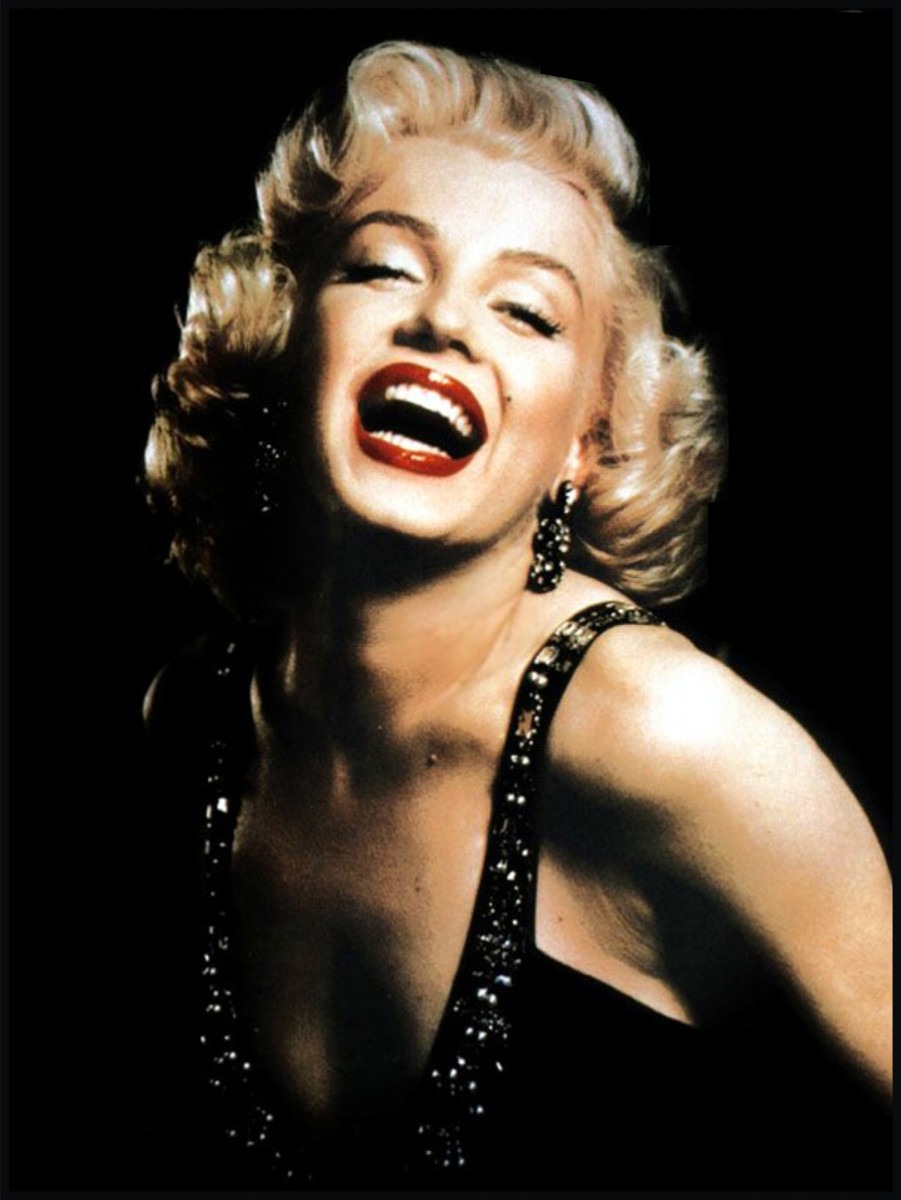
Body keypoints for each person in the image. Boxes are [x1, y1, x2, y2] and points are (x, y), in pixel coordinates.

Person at [142, 40, 891, 1189]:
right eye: (383, 268)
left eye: (528, 313)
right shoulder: (192, 717)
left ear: (585, 444)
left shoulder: (674, 742)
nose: (443, 322)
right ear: (286, 344)